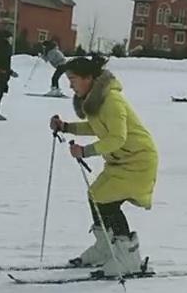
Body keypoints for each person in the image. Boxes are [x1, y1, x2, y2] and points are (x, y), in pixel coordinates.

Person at [49, 56, 158, 277]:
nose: (70, 85)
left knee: (107, 201)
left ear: (88, 78)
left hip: (138, 161)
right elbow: (97, 127)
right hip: (121, 161)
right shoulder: (98, 100)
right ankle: (105, 248)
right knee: (96, 195)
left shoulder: (112, 101)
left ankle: (128, 259)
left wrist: (85, 151)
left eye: (73, 79)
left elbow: (117, 137)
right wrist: (66, 127)